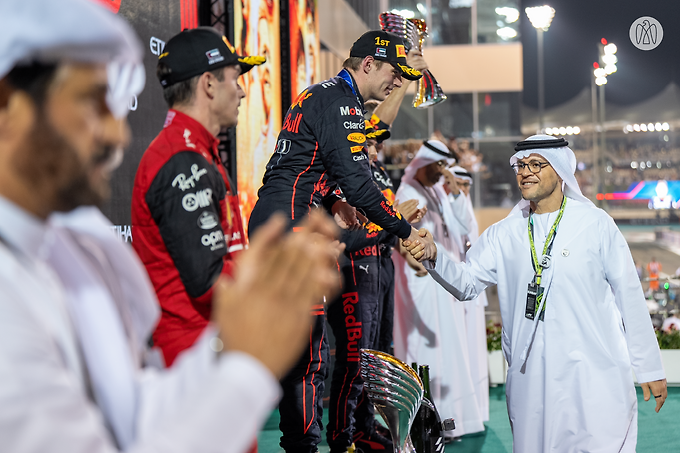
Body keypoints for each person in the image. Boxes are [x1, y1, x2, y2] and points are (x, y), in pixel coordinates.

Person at [0, 1, 343, 451]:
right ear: (8, 103)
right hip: (190, 342)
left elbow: (131, 415)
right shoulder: (180, 158)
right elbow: (205, 282)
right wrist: (248, 346)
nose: (118, 135)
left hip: (196, 357)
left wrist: (241, 341)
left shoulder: (69, 249)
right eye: (91, 101)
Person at [405, 135, 667, 451]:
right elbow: (466, 282)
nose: (525, 172)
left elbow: (630, 296)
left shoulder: (596, 225)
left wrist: (649, 367)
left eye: (535, 165)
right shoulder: (504, 234)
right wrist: (435, 255)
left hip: (594, 374)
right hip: (532, 382)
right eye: (521, 166)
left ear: (558, 170)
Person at [248, 30, 435, 453]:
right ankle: (306, 447)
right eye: (393, 73)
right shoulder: (340, 99)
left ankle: (307, 443)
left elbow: (306, 163)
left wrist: (333, 199)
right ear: (367, 65)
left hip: (287, 221)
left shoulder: (328, 96)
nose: (395, 82)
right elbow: (361, 184)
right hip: (292, 228)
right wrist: (405, 232)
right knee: (311, 358)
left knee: (307, 357)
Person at [131, 27, 263, 366]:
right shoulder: (180, 159)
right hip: (191, 357)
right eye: (235, 79)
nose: (242, 93)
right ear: (208, 83)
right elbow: (209, 282)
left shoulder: (197, 151)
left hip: (207, 347)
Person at [393, 140, 485, 438]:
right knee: (427, 350)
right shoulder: (407, 192)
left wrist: (455, 192)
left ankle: (449, 419)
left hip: (441, 280)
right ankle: (425, 426)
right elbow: (401, 239)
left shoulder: (434, 191)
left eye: (445, 166)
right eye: (438, 165)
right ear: (424, 163)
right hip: (419, 284)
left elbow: (461, 228)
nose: (441, 172)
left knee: (448, 349)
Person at [442, 165, 490, 423]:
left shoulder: (466, 205)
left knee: (475, 352)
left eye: (467, 185)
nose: (464, 190)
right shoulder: (449, 205)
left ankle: (477, 413)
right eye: (459, 184)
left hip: (474, 290)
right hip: (456, 288)